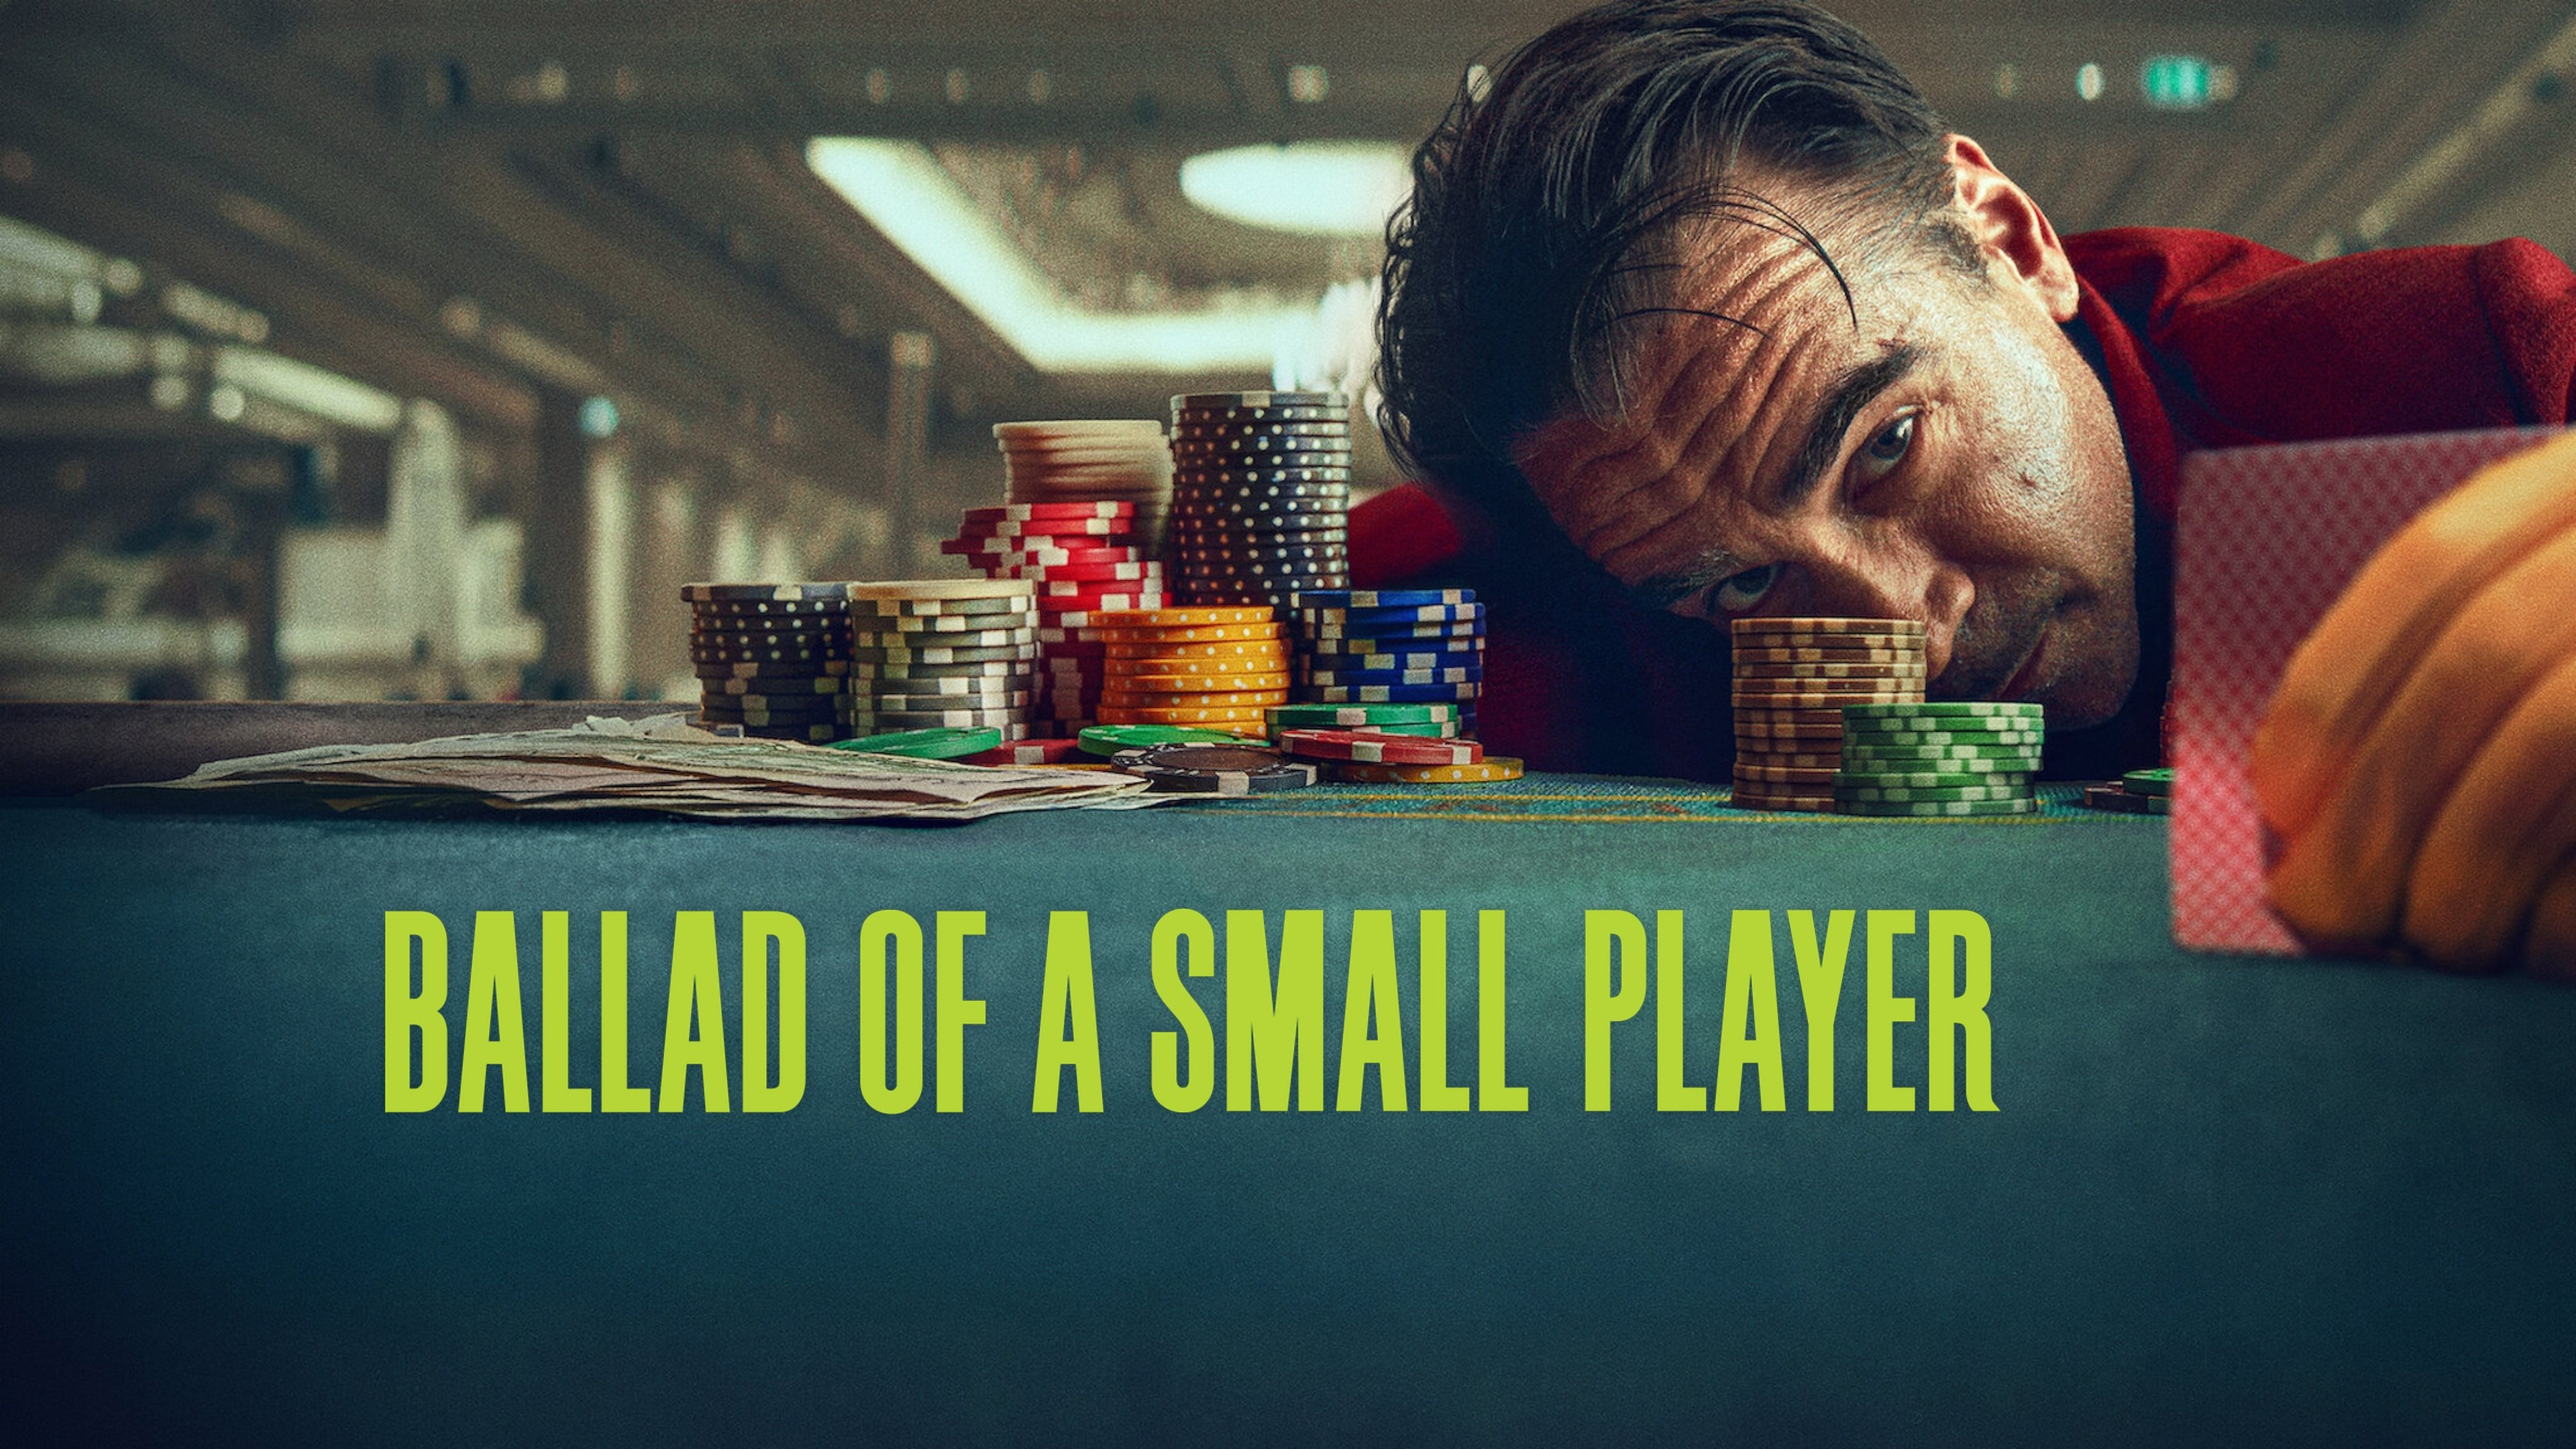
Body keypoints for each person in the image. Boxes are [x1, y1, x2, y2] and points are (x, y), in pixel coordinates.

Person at [1350, 0, 2576, 975]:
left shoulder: (2481, 381)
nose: (1899, 641)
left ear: (2010, 236)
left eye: (1884, 446)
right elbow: (1299, 589)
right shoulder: (1575, 558)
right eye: (1745, 584)